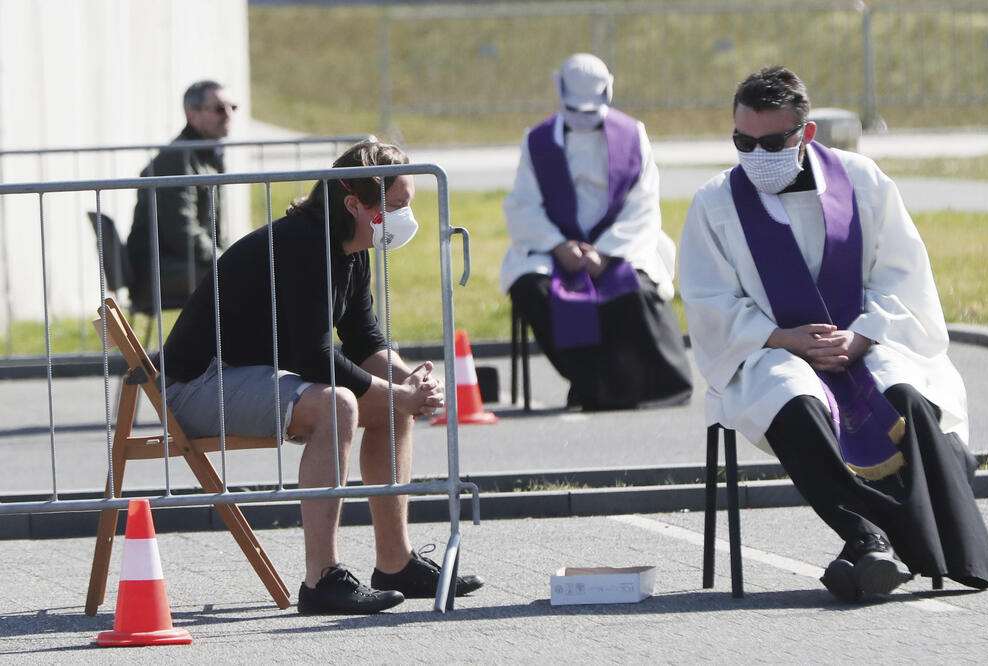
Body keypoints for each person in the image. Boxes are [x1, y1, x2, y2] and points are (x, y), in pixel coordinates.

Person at [679, 66, 988, 603]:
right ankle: (868, 535)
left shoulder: (863, 181)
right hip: (770, 348)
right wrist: (784, 339)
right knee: (792, 398)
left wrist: (864, 337)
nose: (755, 155)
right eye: (742, 141)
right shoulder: (715, 203)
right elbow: (710, 303)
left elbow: (902, 274)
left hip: (867, 339)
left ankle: (904, 551)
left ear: (807, 134)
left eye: (772, 142)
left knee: (905, 395)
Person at [159, 138, 484, 614]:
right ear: (355, 203)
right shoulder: (305, 243)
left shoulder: (352, 246)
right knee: (341, 403)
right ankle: (321, 580)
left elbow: (365, 339)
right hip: (195, 387)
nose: (404, 217)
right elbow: (315, 356)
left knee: (391, 407)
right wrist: (396, 391)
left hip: (242, 375)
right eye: (396, 205)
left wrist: (409, 384)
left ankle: (396, 562)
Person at [501, 53, 692, 411]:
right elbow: (522, 204)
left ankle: (638, 384)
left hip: (620, 244)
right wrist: (558, 246)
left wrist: (605, 254)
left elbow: (644, 201)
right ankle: (591, 383)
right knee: (533, 289)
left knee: (634, 290)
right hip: (555, 246)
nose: (584, 119)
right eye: (576, 110)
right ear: (559, 90)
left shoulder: (633, 135)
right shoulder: (537, 141)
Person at [126, 80, 236, 310]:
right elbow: (182, 234)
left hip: (182, 264)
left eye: (232, 107)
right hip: (159, 272)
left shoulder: (205, 155)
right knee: (243, 276)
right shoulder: (177, 159)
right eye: (218, 109)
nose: (228, 115)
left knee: (247, 271)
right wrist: (228, 259)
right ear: (192, 115)